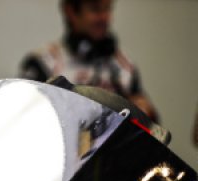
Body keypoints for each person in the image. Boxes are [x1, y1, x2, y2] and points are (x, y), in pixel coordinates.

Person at [19, 0, 158, 122]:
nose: (105, 17)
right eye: (95, 9)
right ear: (71, 11)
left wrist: (145, 114)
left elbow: (151, 129)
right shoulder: (42, 63)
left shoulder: (125, 67)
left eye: (108, 8)